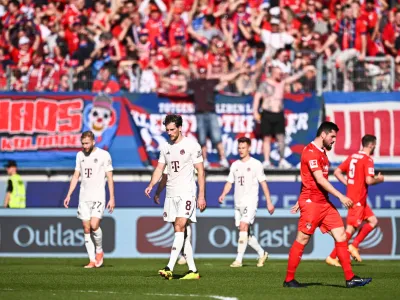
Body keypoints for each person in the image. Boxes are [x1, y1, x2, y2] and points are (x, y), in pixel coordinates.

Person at [283, 121, 372, 288]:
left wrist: (299, 198)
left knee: (341, 236)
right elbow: (319, 179)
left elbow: (307, 177)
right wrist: (340, 196)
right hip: (312, 204)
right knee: (302, 238)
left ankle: (350, 278)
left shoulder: (323, 153)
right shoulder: (310, 152)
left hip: (324, 203)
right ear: (323, 134)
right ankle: (289, 279)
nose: (334, 140)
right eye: (332, 136)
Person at [145, 114, 206, 280]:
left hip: (187, 193)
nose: (170, 132)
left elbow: (200, 171)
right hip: (171, 194)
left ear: (180, 128)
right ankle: (193, 270)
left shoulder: (192, 145)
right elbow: (160, 170)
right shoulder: (165, 147)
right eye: (167, 130)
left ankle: (169, 267)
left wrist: (201, 196)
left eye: (172, 129)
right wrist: (153, 186)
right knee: (182, 233)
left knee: (180, 227)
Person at [326, 134, 384, 266]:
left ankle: (354, 246)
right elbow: (369, 180)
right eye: (375, 145)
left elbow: (337, 172)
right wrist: (379, 179)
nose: (375, 147)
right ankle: (332, 256)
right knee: (350, 230)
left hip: (359, 199)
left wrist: (348, 183)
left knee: (373, 221)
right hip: (356, 199)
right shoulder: (367, 159)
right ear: (371, 145)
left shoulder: (353, 157)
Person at [218, 137, 275, 268]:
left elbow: (263, 184)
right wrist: (223, 194)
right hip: (238, 203)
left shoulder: (256, 164)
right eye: (239, 148)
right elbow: (229, 182)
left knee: (244, 226)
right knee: (245, 233)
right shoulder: (235, 165)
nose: (241, 150)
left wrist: (269, 202)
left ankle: (238, 260)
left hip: (250, 202)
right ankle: (262, 253)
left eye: (243, 148)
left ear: (249, 148)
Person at [64, 130, 115, 268]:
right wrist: (69, 194)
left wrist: (112, 198)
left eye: (87, 143)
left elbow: (109, 177)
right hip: (83, 197)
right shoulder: (79, 155)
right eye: (83, 143)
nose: (85, 146)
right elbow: (76, 176)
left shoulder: (104, 155)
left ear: (94, 141)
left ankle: (99, 251)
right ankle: (92, 260)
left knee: (94, 225)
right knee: (86, 228)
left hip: (98, 196)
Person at [253, 65, 316, 169]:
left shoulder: (282, 82)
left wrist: (304, 70)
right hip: (267, 112)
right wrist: (255, 111)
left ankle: (282, 160)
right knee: (267, 138)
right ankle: (266, 161)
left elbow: (293, 78)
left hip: (279, 113)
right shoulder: (265, 84)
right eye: (278, 73)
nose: (280, 75)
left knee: (281, 138)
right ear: (273, 73)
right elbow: (257, 97)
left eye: (281, 73)